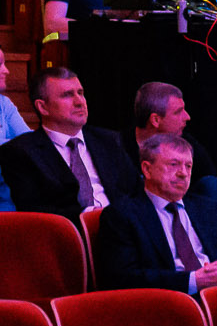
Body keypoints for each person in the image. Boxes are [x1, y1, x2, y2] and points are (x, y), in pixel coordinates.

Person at [95, 132, 217, 293]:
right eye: (174, 164)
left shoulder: (207, 209)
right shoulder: (121, 216)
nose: (183, 173)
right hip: (168, 301)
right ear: (147, 169)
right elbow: (122, 279)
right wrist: (193, 281)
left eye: (188, 166)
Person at [0, 67, 139, 222]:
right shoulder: (21, 152)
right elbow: (38, 212)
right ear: (43, 107)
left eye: (80, 93)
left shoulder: (108, 140)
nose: (80, 102)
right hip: (68, 232)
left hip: (122, 229)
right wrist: (92, 216)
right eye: (67, 95)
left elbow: (135, 191)